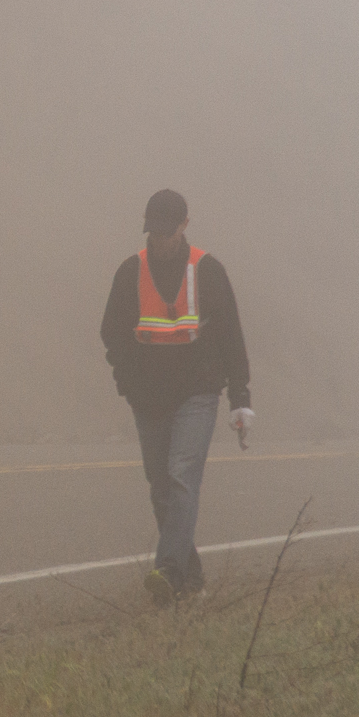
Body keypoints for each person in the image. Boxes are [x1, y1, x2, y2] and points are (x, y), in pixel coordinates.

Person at [100, 189, 254, 605]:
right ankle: (192, 578)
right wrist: (126, 382)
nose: (159, 239)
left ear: (184, 226)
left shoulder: (207, 270)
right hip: (148, 398)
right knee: (160, 486)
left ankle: (167, 570)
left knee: (182, 476)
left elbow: (230, 335)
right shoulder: (130, 271)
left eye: (167, 232)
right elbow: (112, 333)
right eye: (153, 231)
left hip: (197, 393)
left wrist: (240, 396)